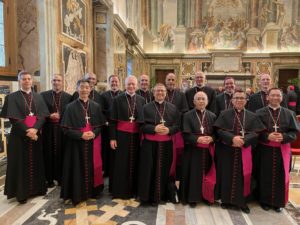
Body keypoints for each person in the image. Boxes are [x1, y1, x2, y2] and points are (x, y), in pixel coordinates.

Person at [0, 71, 49, 204]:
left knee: (36, 161)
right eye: (24, 79)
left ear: (32, 81)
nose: (27, 81)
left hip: (35, 136)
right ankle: (22, 193)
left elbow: (43, 116)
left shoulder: (38, 97)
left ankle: (37, 189)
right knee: (20, 164)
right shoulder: (12, 97)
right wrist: (28, 131)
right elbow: (13, 118)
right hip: (19, 138)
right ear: (19, 81)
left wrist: (35, 129)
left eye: (28, 79)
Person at [214, 90, 265, 214]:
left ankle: (243, 202)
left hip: (244, 151)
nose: (239, 100)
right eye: (236, 98)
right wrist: (232, 138)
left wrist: (244, 139)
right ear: (232, 100)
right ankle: (226, 200)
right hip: (227, 151)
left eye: (242, 98)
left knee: (244, 176)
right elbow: (219, 130)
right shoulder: (224, 114)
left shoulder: (253, 116)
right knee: (226, 174)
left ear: (246, 101)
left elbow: (257, 132)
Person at [60, 79, 106, 205]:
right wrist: (81, 135)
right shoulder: (70, 107)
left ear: (90, 89)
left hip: (92, 143)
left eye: (87, 87)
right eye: (82, 87)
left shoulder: (95, 106)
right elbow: (64, 129)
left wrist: (94, 133)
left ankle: (92, 191)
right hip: (76, 145)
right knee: (76, 168)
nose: (84, 90)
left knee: (93, 166)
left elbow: (99, 126)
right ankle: (76, 193)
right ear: (77, 89)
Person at [256, 88, 300, 212]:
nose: (275, 98)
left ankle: (278, 202)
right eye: (273, 95)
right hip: (265, 150)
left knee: (281, 176)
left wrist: (285, 137)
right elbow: (254, 131)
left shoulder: (289, 113)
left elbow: (294, 132)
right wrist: (266, 136)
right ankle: (264, 201)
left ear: (282, 98)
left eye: (278, 95)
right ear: (267, 97)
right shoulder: (259, 113)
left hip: (283, 150)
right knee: (264, 175)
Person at [138, 83, 180, 204]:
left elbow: (177, 126)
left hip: (166, 145)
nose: (160, 93)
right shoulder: (146, 107)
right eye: (157, 91)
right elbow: (141, 126)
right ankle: (147, 197)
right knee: (148, 170)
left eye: (162, 91)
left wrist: (169, 130)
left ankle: (162, 195)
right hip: (149, 145)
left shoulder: (173, 108)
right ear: (153, 92)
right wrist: (154, 129)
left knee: (165, 170)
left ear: (166, 93)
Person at [179, 91, 217, 207]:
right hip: (192, 151)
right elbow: (185, 134)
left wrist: (211, 138)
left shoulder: (212, 116)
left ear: (207, 102)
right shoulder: (187, 115)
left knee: (206, 174)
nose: (201, 101)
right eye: (198, 99)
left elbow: (217, 134)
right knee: (193, 174)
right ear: (193, 102)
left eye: (203, 99)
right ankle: (192, 198)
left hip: (207, 152)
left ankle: (206, 196)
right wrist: (197, 139)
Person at [110, 75, 144, 199]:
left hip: (136, 136)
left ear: (136, 85)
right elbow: (112, 120)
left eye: (133, 84)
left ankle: (134, 189)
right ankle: (120, 191)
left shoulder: (141, 100)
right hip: (121, 136)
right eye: (128, 84)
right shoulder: (118, 99)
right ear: (124, 85)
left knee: (136, 162)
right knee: (121, 163)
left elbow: (143, 121)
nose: (131, 86)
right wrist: (113, 138)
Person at [41, 74, 72, 187]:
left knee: (62, 153)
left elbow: (70, 113)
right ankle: (49, 179)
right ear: (51, 81)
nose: (56, 82)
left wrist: (61, 116)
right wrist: (49, 115)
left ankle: (60, 178)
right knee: (48, 153)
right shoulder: (43, 95)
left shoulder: (69, 97)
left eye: (58, 80)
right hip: (48, 128)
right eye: (54, 80)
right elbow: (39, 111)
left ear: (62, 82)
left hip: (62, 130)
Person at [100, 75, 123, 188]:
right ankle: (107, 170)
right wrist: (105, 122)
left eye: (116, 81)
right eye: (112, 82)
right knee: (107, 149)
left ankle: (116, 169)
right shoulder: (103, 96)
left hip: (120, 128)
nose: (114, 84)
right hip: (107, 126)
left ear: (119, 82)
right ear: (109, 83)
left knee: (118, 148)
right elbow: (101, 111)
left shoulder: (123, 95)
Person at [165, 72, 189, 179]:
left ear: (176, 81)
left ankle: (176, 178)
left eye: (172, 80)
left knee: (178, 155)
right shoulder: (160, 92)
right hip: (163, 129)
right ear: (166, 81)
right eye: (169, 80)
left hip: (177, 129)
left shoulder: (181, 95)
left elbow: (185, 111)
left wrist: (174, 118)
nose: (171, 82)